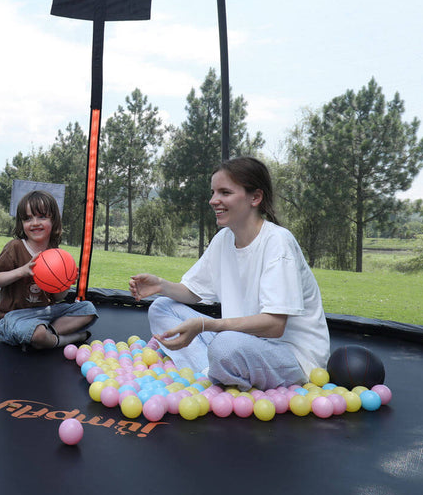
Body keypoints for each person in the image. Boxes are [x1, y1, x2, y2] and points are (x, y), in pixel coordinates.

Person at [129, 157, 328, 390]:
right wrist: (161, 285)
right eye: (213, 192)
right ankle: (211, 372)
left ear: (255, 197)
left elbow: (274, 326)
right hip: (241, 342)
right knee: (161, 307)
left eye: (224, 192)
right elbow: (193, 291)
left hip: (291, 356)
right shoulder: (224, 239)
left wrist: (206, 326)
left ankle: (213, 372)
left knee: (224, 347)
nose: (214, 200)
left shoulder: (278, 242)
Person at [0, 189, 97, 350]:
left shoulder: (55, 253)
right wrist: (22, 271)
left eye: (42, 217)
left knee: (88, 309)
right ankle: (66, 339)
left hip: (46, 313)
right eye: (28, 218)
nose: (35, 223)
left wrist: (65, 283)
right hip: (13, 318)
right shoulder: (15, 247)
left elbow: (58, 297)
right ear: (21, 223)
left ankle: (45, 336)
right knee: (37, 333)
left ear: (54, 221)